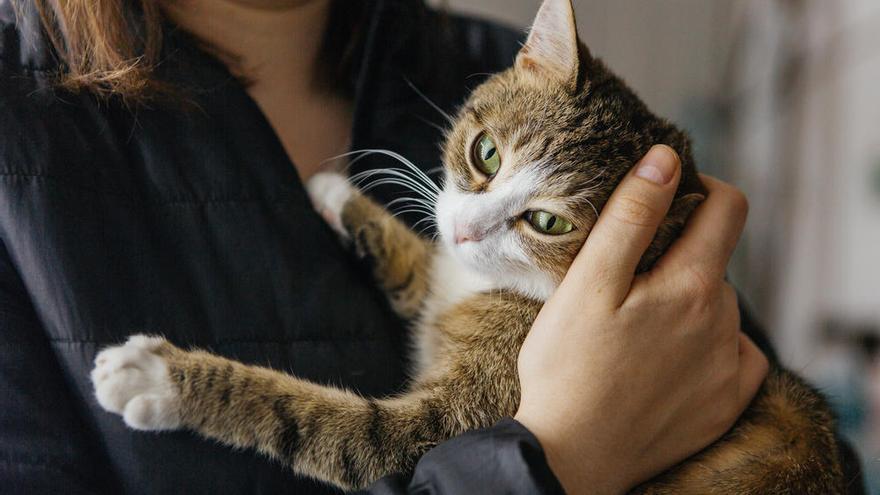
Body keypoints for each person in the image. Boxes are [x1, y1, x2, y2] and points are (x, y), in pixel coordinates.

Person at [0, 0, 861, 493]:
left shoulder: (495, 69)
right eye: (484, 160)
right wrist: (558, 456)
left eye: (545, 223)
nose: (471, 223)